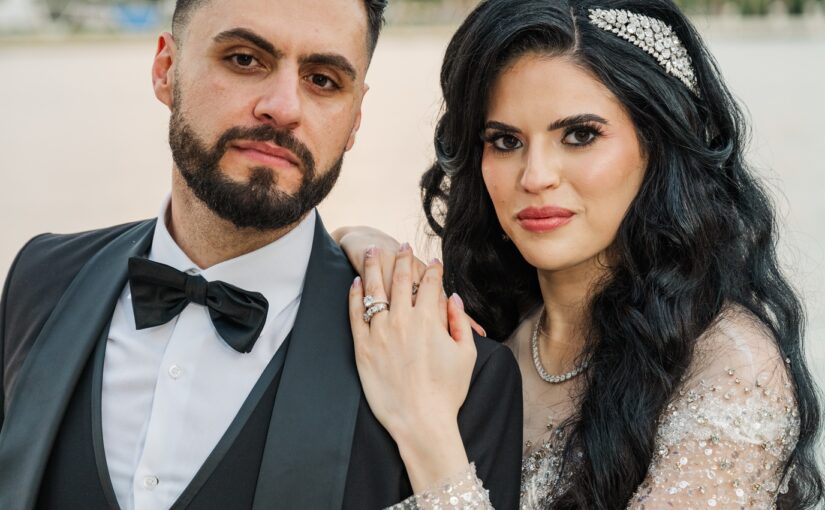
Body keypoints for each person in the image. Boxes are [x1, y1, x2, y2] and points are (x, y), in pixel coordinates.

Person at [0, 1, 524, 508]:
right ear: (166, 69)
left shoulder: (458, 373)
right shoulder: (39, 279)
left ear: (356, 119)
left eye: (322, 80)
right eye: (244, 60)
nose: (283, 108)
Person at [336, 0, 825, 508]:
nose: (536, 176)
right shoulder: (488, 337)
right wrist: (371, 255)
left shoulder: (730, 366)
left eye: (580, 135)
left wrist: (426, 430)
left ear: (657, 145)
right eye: (505, 141)